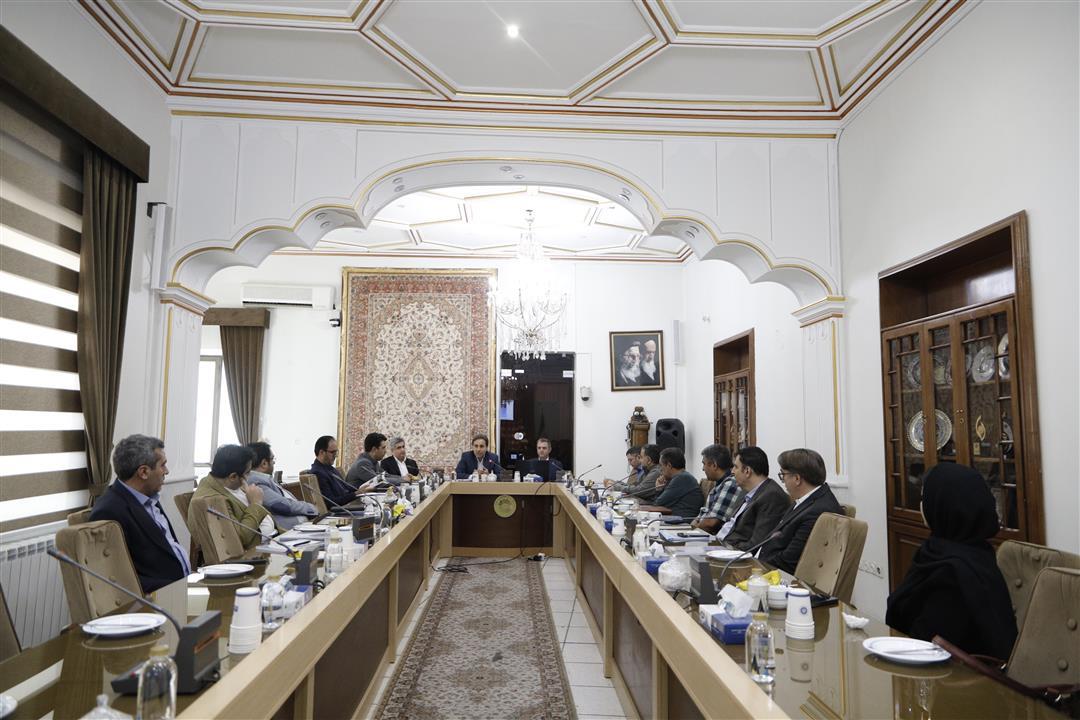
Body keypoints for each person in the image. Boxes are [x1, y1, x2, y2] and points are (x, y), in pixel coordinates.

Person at [886, 464, 1017, 659]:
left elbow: (926, 645)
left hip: (948, 672)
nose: (921, 505)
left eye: (924, 498)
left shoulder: (955, 573)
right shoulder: (943, 551)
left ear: (941, 506)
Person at [89, 434, 190, 592]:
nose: (167, 471)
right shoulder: (108, 512)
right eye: (163, 465)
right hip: (156, 598)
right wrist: (173, 588)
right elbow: (114, 578)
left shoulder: (148, 496)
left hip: (182, 588)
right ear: (143, 472)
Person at [757, 448, 842, 573]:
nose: (783, 481)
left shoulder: (818, 512)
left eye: (783, 475)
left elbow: (788, 561)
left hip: (778, 575)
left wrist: (754, 567)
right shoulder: (806, 499)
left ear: (797, 479)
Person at [190, 444, 274, 550]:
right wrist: (256, 504)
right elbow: (237, 539)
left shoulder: (231, 485)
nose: (249, 477)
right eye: (248, 472)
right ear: (233, 477)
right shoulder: (211, 499)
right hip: (252, 552)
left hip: (271, 540)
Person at [717, 446, 791, 549]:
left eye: (736, 467)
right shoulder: (745, 490)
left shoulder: (772, 496)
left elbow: (756, 544)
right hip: (719, 544)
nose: (732, 471)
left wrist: (725, 550)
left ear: (747, 471)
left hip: (733, 552)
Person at [246, 441, 317, 530]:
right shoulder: (255, 482)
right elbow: (283, 506)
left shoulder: (264, 478)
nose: (274, 462)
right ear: (264, 463)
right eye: (272, 459)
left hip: (301, 527)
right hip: (289, 531)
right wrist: (312, 508)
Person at [638, 448, 704, 519]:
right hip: (673, 517)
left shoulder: (682, 478)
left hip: (681, 520)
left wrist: (658, 491)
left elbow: (657, 504)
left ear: (669, 465)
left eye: (661, 465)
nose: (660, 469)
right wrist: (659, 489)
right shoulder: (679, 477)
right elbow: (659, 503)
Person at [691, 444, 744, 533]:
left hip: (714, 538)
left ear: (714, 465)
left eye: (704, 464)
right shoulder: (720, 484)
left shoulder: (731, 484)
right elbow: (699, 518)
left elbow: (710, 524)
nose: (703, 469)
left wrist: (693, 530)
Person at [308, 435, 372, 508]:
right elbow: (331, 502)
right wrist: (356, 493)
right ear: (321, 452)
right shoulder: (318, 473)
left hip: (347, 506)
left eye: (336, 452)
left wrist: (362, 488)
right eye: (332, 452)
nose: (335, 456)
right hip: (339, 511)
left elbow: (347, 488)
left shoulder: (330, 468)